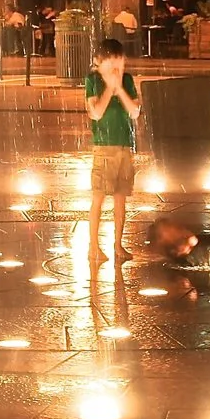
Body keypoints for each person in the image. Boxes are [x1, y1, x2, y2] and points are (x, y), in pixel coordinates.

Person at [83, 36, 141, 266]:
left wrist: (120, 90)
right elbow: (95, 113)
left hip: (124, 146)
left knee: (120, 199)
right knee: (98, 198)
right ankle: (93, 245)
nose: (118, 68)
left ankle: (118, 244)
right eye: (113, 64)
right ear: (101, 62)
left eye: (121, 63)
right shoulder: (93, 80)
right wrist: (109, 88)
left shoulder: (126, 80)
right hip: (104, 149)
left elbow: (135, 111)